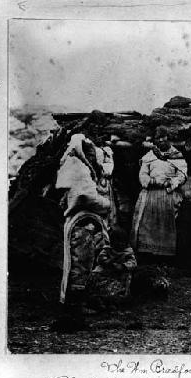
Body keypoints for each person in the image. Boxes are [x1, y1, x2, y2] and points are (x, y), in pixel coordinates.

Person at [54, 133, 111, 331]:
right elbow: (87, 196)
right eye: (88, 152)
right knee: (80, 265)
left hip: (82, 222)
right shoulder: (77, 167)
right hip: (82, 224)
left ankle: (76, 309)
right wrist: (106, 203)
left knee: (81, 265)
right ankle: (74, 314)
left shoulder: (75, 165)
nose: (92, 156)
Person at [130, 126, 187, 263]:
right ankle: (148, 256)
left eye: (164, 136)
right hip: (150, 194)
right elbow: (143, 175)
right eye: (158, 138)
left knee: (166, 226)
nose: (161, 140)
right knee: (147, 225)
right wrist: (154, 181)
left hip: (168, 195)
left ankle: (165, 259)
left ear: (169, 138)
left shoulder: (177, 156)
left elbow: (182, 175)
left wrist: (171, 183)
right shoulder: (149, 157)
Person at [87, 226, 137, 311]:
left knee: (118, 288)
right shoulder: (107, 249)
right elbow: (100, 259)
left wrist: (123, 266)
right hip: (106, 272)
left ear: (126, 242)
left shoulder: (127, 252)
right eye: (116, 241)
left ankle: (112, 301)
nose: (119, 244)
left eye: (122, 242)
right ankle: (98, 299)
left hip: (119, 275)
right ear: (111, 242)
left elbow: (133, 263)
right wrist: (109, 262)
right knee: (94, 278)